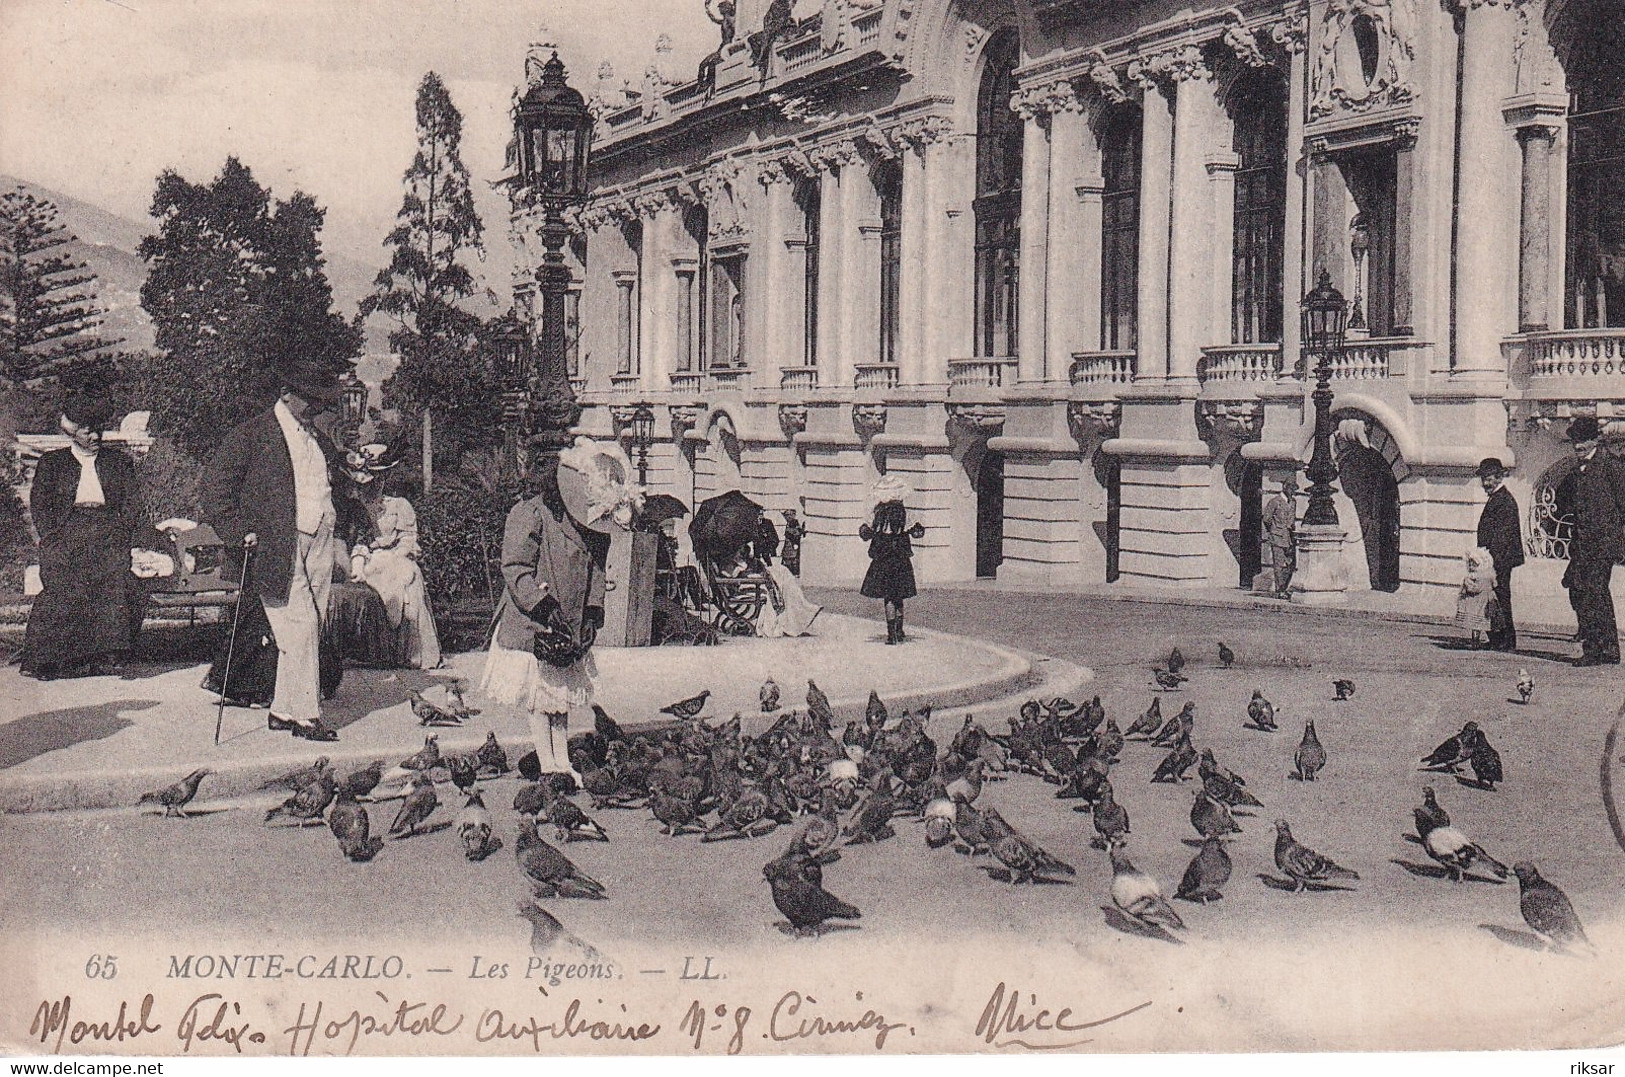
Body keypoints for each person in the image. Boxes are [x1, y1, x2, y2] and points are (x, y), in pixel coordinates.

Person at [200, 360, 347, 741]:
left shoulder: (315, 436)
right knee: (301, 626)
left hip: (320, 539)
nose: (319, 407)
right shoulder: (252, 435)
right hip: (277, 545)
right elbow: (214, 490)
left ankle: (282, 710)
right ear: (286, 395)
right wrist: (238, 532)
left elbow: (332, 482)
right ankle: (306, 717)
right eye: (311, 400)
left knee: (307, 625)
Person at [481, 441, 607, 783]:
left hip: (570, 620)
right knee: (540, 695)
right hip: (533, 619)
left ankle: (561, 760)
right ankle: (549, 762)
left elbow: (596, 567)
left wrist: (593, 611)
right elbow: (517, 567)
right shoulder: (528, 513)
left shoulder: (582, 518)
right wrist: (544, 605)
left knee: (560, 696)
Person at [21, 393, 151, 679]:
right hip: (66, 533)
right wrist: (51, 537)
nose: (94, 436)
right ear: (73, 432)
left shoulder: (118, 462)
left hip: (107, 531)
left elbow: (133, 502)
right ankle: (49, 660)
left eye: (97, 430)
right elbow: (40, 504)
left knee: (115, 583)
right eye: (86, 430)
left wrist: (120, 531)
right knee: (62, 587)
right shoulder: (53, 463)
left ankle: (106, 656)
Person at [346, 445, 441, 669]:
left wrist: (394, 557)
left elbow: (408, 538)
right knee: (367, 577)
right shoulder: (356, 506)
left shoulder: (398, 505)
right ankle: (375, 652)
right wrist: (361, 558)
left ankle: (411, 653)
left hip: (395, 557)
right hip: (367, 558)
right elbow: (356, 539)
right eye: (371, 477)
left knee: (409, 576)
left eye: (380, 477)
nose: (375, 482)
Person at [1561, 416, 1625, 666]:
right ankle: (1600, 647)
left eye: (1583, 440)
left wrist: (1618, 543)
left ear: (1595, 439)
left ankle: (1601, 650)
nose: (1578, 445)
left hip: (1602, 544)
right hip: (1582, 544)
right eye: (1575, 440)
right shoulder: (1576, 469)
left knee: (1595, 593)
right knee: (1579, 591)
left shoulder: (1611, 465)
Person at [859, 477, 925, 645]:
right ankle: (899, 630)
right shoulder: (904, 513)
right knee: (899, 595)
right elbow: (918, 532)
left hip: (882, 558)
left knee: (888, 596)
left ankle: (891, 635)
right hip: (900, 558)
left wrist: (875, 532)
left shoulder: (877, 513)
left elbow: (865, 533)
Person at [1474, 457, 1525, 651]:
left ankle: (1506, 640)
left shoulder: (1503, 500)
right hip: (1496, 558)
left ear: (1498, 478)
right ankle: (1498, 638)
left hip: (1500, 560)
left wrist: (1491, 563)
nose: (1485, 483)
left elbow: (1502, 537)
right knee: (1494, 598)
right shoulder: (1498, 498)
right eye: (1483, 479)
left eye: (1488, 479)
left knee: (1500, 598)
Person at [1262, 475, 1299, 599]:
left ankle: (1286, 587)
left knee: (1291, 565)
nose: (1292, 491)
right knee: (1279, 565)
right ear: (1285, 487)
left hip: (1289, 538)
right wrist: (1273, 532)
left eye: (1294, 489)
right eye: (1291, 488)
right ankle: (1280, 590)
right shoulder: (1275, 501)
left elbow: (1292, 520)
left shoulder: (1293, 502)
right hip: (1277, 537)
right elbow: (1266, 519)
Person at [1455, 547, 1496, 647]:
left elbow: (1474, 589)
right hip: (1486, 602)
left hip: (1476, 604)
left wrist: (1466, 583)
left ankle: (1475, 642)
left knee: (1476, 624)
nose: (1470, 565)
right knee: (1483, 623)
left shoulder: (1476, 577)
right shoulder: (1489, 575)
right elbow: (1494, 585)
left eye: (1473, 563)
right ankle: (1490, 641)